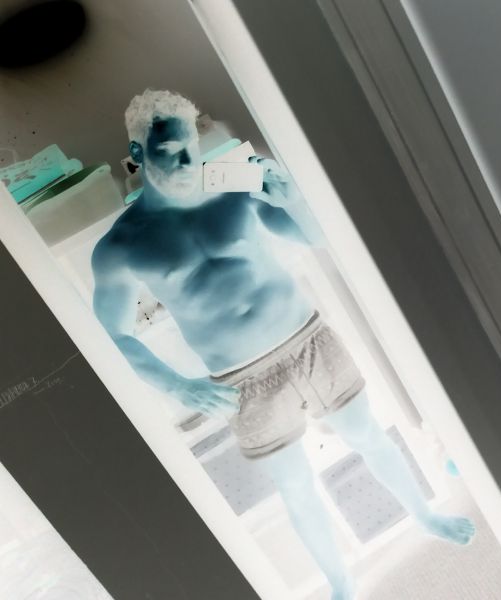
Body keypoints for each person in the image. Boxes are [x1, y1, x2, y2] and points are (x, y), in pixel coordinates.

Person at [91, 90, 475, 600]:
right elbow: (111, 336)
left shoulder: (232, 178)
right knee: (295, 486)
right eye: (168, 151)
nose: (185, 162)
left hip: (307, 337)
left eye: (190, 147)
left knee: (369, 436)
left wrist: (292, 197)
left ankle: (425, 516)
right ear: (138, 152)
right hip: (240, 379)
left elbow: (313, 236)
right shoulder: (119, 246)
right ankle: (342, 585)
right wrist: (179, 386)